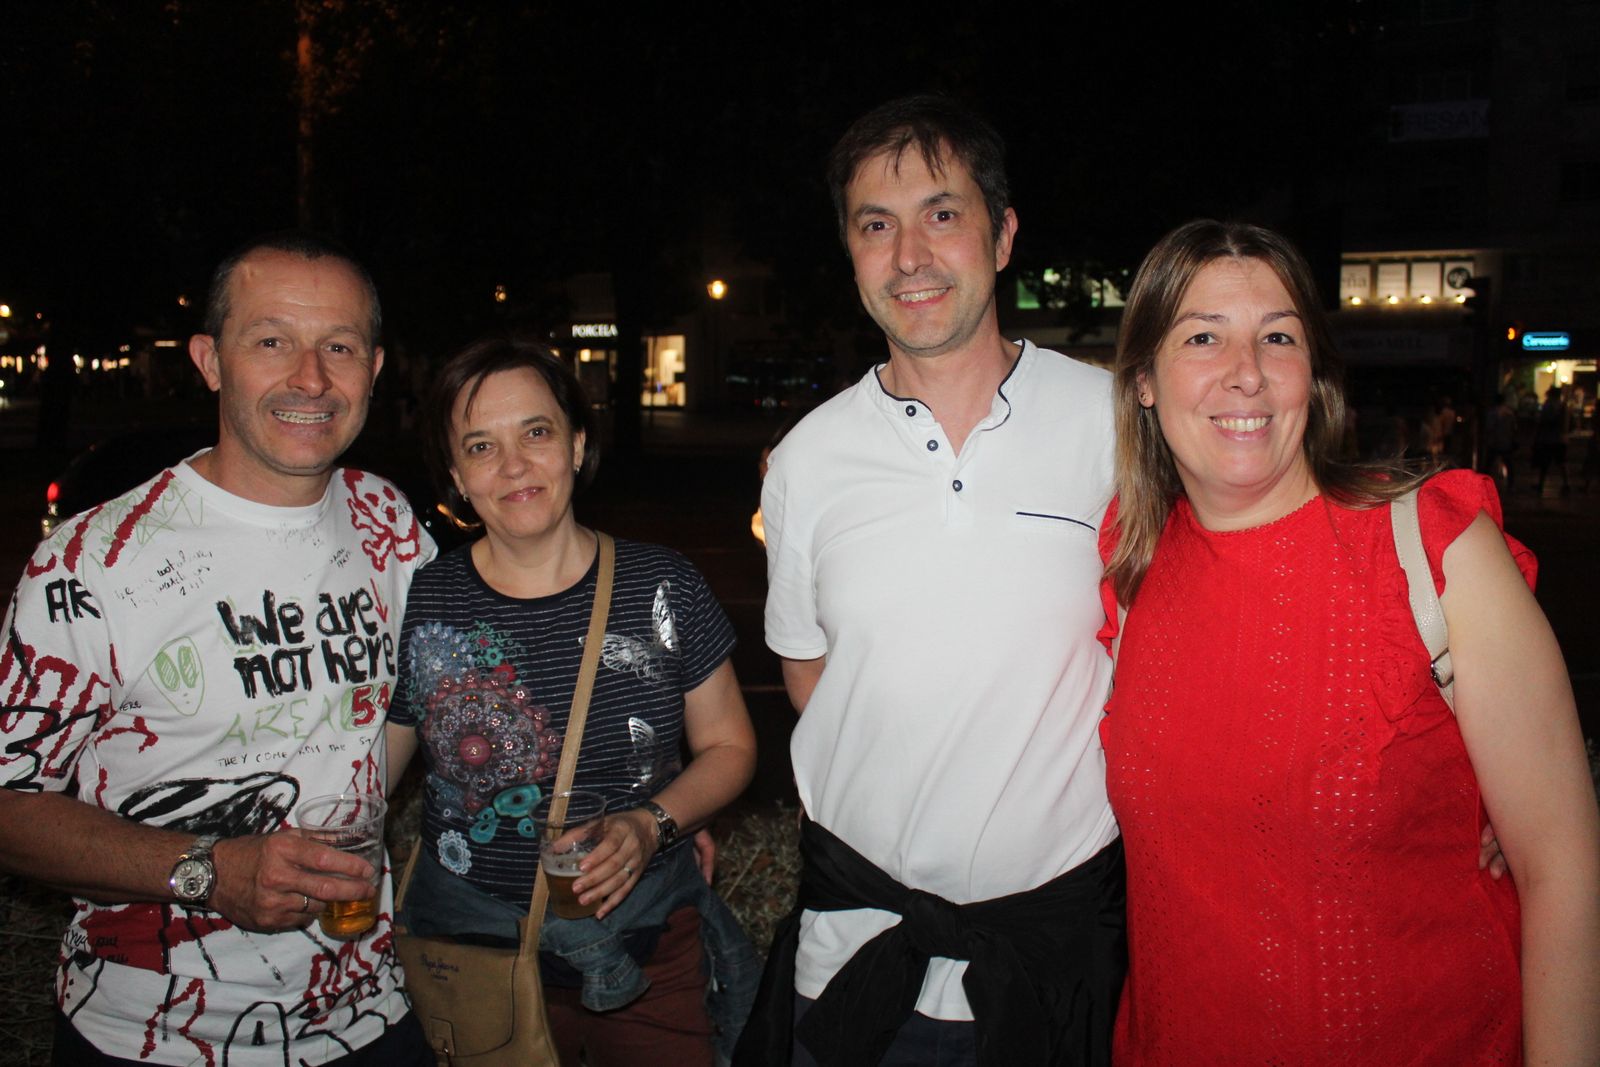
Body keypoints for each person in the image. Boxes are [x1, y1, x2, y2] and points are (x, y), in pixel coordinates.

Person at [1100, 219, 1600, 1064]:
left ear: (1314, 375)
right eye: (1203, 336)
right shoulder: (1127, 568)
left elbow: (1562, 867)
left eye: (1278, 337)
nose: (1246, 373)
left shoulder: (1434, 553)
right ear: (1144, 379)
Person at [740, 95, 1125, 1066]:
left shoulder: (1116, 423)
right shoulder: (805, 461)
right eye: (877, 225)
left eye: (940, 214)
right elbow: (808, 677)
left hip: (1055, 962)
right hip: (858, 960)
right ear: (850, 251)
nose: (908, 253)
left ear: (1000, 237)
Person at [0, 232, 437, 1065]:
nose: (310, 378)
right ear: (210, 361)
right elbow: (9, 805)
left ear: (375, 370)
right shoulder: (94, 559)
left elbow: (427, 703)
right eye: (272, 340)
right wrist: (209, 870)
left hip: (372, 1015)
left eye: (338, 346)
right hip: (153, 1033)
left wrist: (639, 806)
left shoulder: (390, 524)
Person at [386, 337, 760, 1066]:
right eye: (481, 445)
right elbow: (371, 771)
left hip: (648, 951)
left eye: (536, 431)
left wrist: (654, 822)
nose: (515, 465)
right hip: (475, 964)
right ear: (458, 475)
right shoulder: (424, 596)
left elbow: (731, 746)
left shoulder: (664, 584)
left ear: (577, 442)